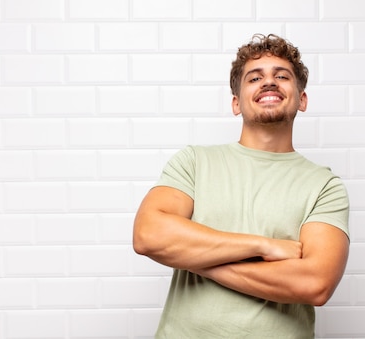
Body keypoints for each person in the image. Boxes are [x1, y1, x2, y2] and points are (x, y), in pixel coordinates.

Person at [133, 33, 350, 338]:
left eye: (282, 76)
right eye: (255, 78)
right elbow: (148, 235)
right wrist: (263, 245)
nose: (269, 82)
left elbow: (316, 283)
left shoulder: (324, 185)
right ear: (236, 103)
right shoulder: (194, 162)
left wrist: (198, 260)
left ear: (302, 99)